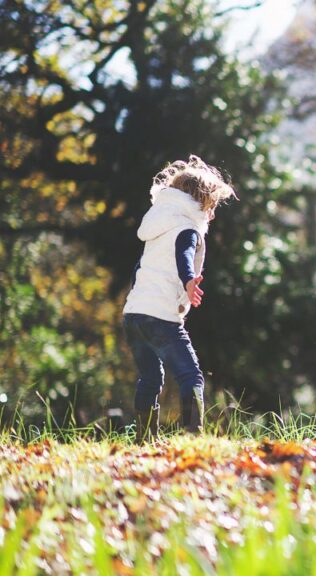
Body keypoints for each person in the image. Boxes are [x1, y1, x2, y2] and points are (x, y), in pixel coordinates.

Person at [123, 155, 236, 442]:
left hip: (134, 314)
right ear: (200, 201)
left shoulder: (158, 223)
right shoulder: (188, 227)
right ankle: (192, 436)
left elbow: (139, 269)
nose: (212, 214)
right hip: (161, 316)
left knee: (150, 377)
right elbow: (183, 254)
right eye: (212, 206)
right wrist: (188, 281)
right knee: (191, 375)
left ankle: (143, 438)